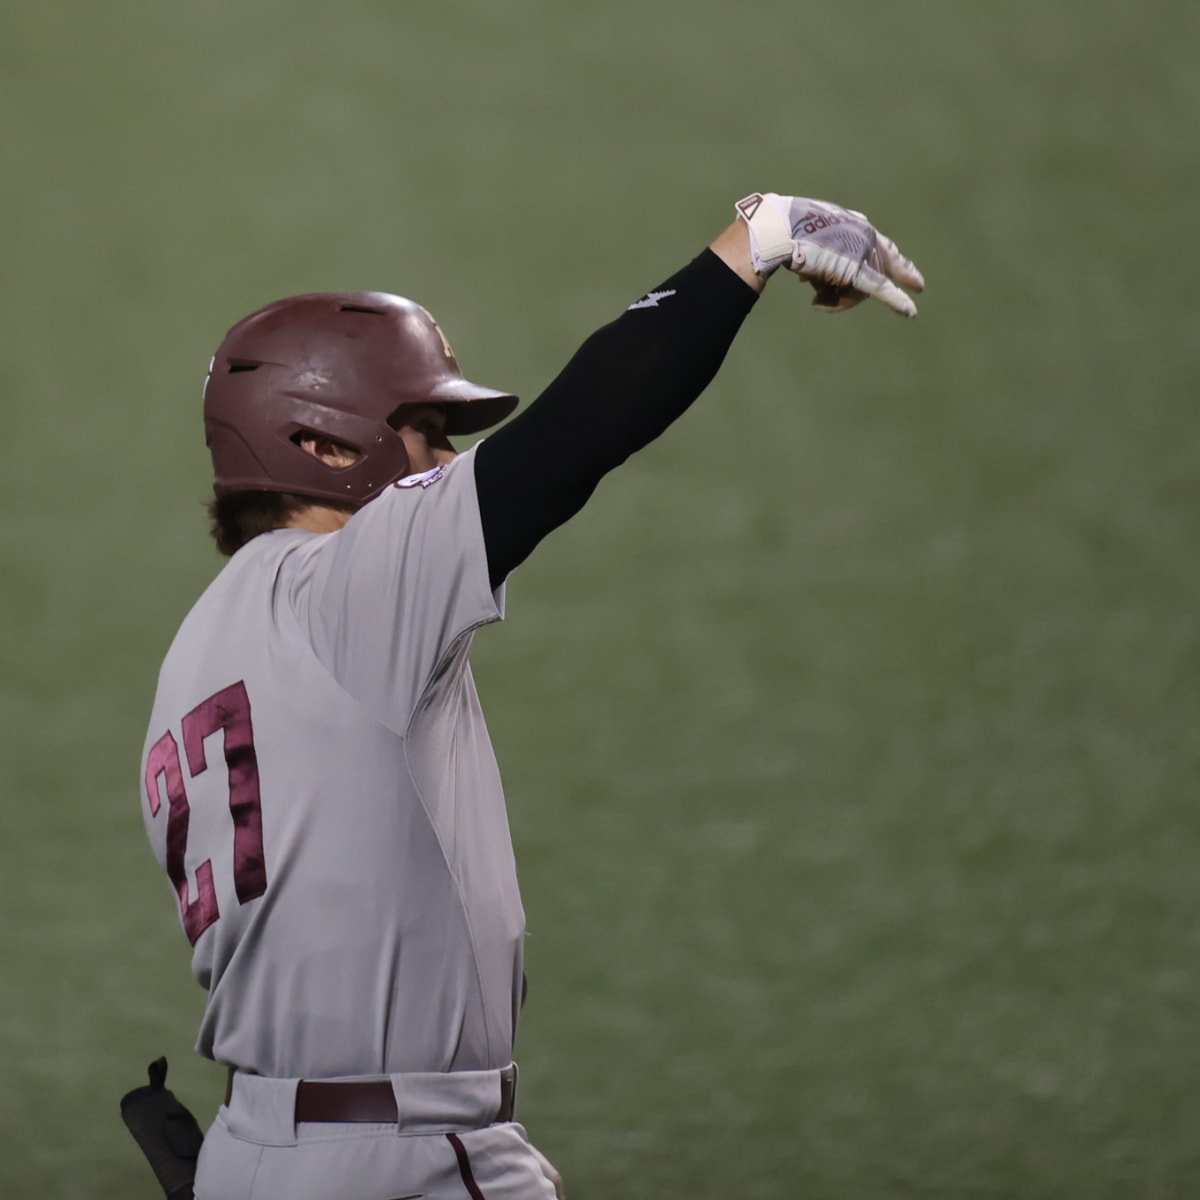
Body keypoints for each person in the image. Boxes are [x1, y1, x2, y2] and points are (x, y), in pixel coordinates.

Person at [139, 192, 924, 1200]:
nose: (447, 460)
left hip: (258, 1154)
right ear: (328, 449)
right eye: (426, 431)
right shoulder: (345, 592)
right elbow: (571, 439)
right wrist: (755, 242)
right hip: (402, 1156)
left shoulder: (196, 658)